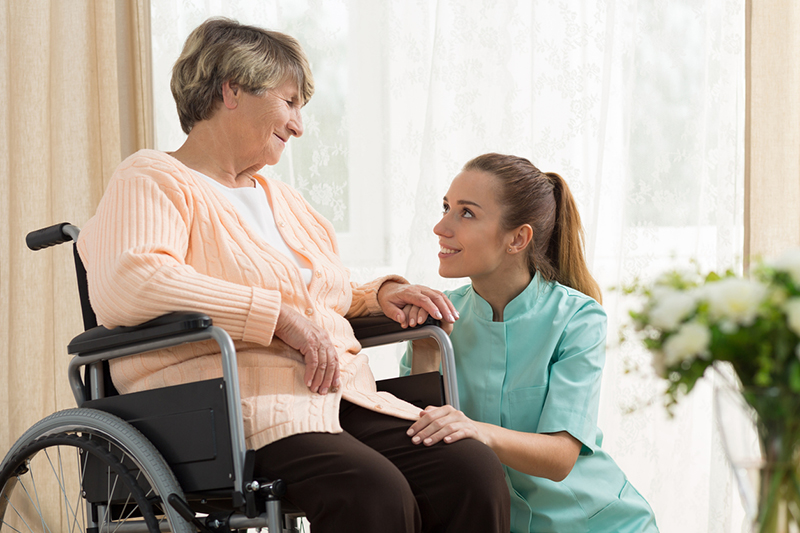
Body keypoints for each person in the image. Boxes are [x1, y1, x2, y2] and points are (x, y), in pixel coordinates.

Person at [77, 18, 509, 533]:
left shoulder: (282, 198)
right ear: (231, 89)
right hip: (233, 408)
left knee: (469, 470)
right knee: (372, 492)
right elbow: (132, 281)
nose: (299, 125)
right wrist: (276, 318)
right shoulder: (154, 178)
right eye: (289, 102)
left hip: (338, 397)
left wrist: (381, 293)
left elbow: (320, 290)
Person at [400, 153, 658, 532]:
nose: (441, 226)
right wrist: (424, 353)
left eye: (466, 213)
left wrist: (476, 429)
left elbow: (560, 457)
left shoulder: (578, 318)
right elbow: (417, 448)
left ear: (518, 238)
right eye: (445, 208)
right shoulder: (435, 321)